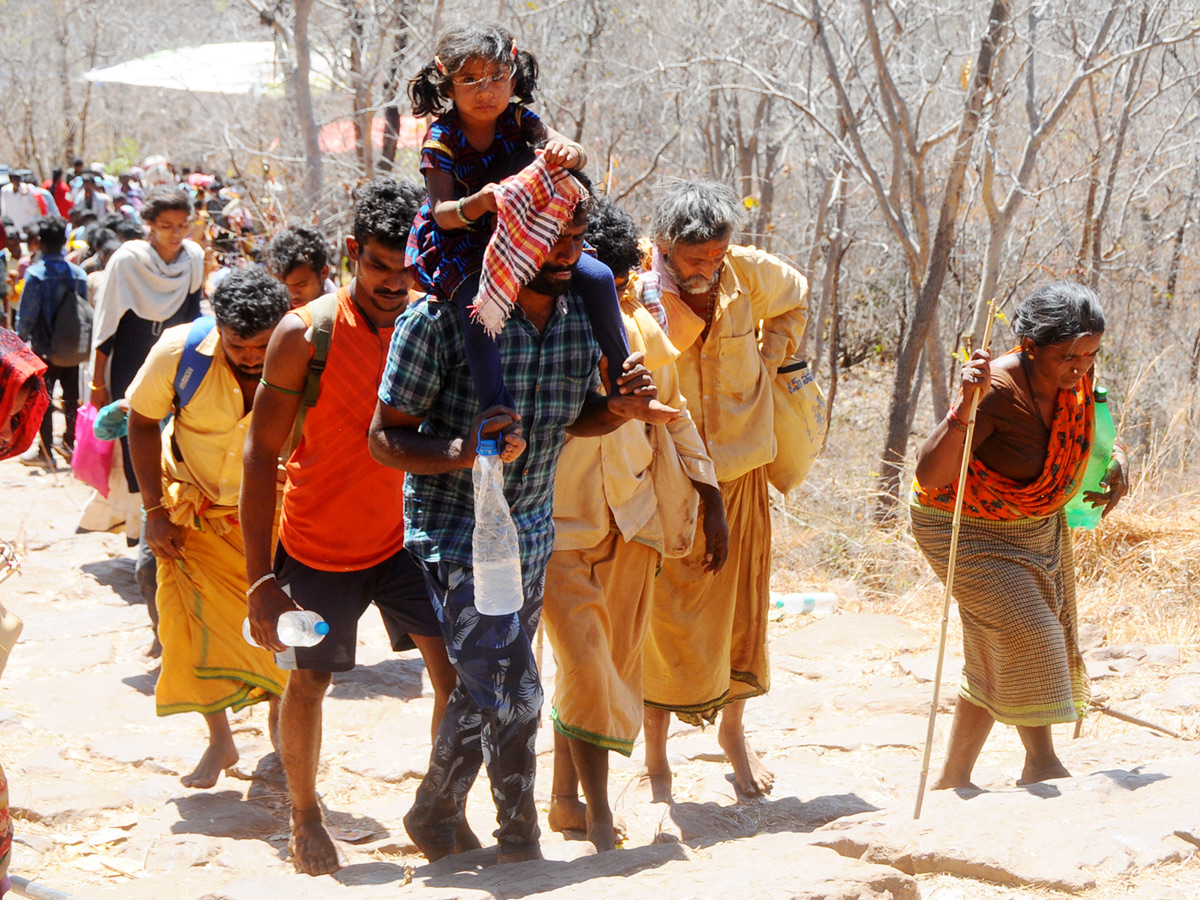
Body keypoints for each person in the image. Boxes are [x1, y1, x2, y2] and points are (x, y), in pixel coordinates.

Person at [369, 188, 660, 865]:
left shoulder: (585, 313)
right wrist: (464, 449)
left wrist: (616, 410)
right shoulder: (439, 323)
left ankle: (434, 813)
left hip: (529, 531)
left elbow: (574, 417)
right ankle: (520, 842)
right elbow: (384, 439)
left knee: (485, 684)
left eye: (575, 237)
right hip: (454, 533)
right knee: (516, 687)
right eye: (549, 237)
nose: (565, 253)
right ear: (507, 238)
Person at [242, 180, 458, 877]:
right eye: (379, 267)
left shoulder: (432, 323)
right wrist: (261, 581)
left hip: (407, 543)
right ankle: (305, 816)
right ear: (351, 253)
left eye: (408, 269)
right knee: (308, 682)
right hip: (318, 547)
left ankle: (440, 808)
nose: (395, 284)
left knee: (455, 676)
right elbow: (260, 455)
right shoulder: (304, 335)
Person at [542, 199, 727, 852]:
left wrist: (712, 500)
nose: (611, 297)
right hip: (558, 529)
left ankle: (564, 799)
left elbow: (670, 420)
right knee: (589, 665)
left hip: (632, 523)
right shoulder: (544, 333)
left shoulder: (642, 334)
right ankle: (597, 815)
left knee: (605, 667)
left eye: (620, 284)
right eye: (604, 281)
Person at [911, 281, 1128, 789]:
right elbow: (930, 474)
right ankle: (1043, 761)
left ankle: (953, 779)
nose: (1080, 368)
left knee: (994, 645)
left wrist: (1116, 462)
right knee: (1035, 633)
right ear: (1030, 347)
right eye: (1068, 357)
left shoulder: (1077, 382)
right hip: (965, 529)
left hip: (1035, 526)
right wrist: (965, 404)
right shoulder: (998, 392)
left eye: (1091, 354)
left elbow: (1093, 436)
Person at [406, 25, 671, 426]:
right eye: (469, 80)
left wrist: (570, 151)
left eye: (497, 77)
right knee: (479, 308)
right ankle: (496, 406)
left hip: (529, 231)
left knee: (598, 275)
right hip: (464, 241)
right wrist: (479, 203)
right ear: (447, 83)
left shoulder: (519, 118)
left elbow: (574, 152)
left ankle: (625, 384)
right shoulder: (441, 138)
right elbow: (442, 210)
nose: (486, 91)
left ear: (513, 76)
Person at [641, 179, 809, 799]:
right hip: (672, 477)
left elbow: (797, 297)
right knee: (666, 617)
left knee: (743, 612)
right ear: (663, 247)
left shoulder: (747, 273)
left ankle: (733, 732)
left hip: (741, 470)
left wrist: (772, 359)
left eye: (716, 255)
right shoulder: (638, 289)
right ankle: (655, 755)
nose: (708, 269)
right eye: (694, 259)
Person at [125, 268, 291, 789]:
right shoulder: (178, 352)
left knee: (283, 632)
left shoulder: (302, 352)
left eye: (260, 345)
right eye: (238, 344)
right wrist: (153, 511)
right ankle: (220, 739)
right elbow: (142, 420)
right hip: (191, 518)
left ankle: (283, 730)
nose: (249, 356)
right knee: (187, 629)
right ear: (217, 325)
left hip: (275, 522)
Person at [91, 187, 204, 654]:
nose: (175, 235)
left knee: (175, 445)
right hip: (133, 351)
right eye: (166, 227)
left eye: (182, 226)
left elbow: (195, 314)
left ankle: (155, 531)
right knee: (137, 440)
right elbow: (108, 325)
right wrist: (99, 382)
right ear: (150, 225)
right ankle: (143, 529)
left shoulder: (194, 258)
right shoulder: (127, 261)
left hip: (174, 357)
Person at [14, 216, 88, 468]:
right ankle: (70, 445)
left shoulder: (36, 275)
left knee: (43, 400)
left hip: (44, 350)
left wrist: (18, 346)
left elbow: (26, 318)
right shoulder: (79, 274)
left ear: (39, 243)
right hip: (73, 348)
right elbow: (84, 311)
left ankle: (45, 452)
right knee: (72, 397)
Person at [262, 224, 337, 308]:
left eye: (301, 284)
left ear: (324, 272)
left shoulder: (341, 315)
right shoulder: (274, 309)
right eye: (284, 285)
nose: (293, 295)